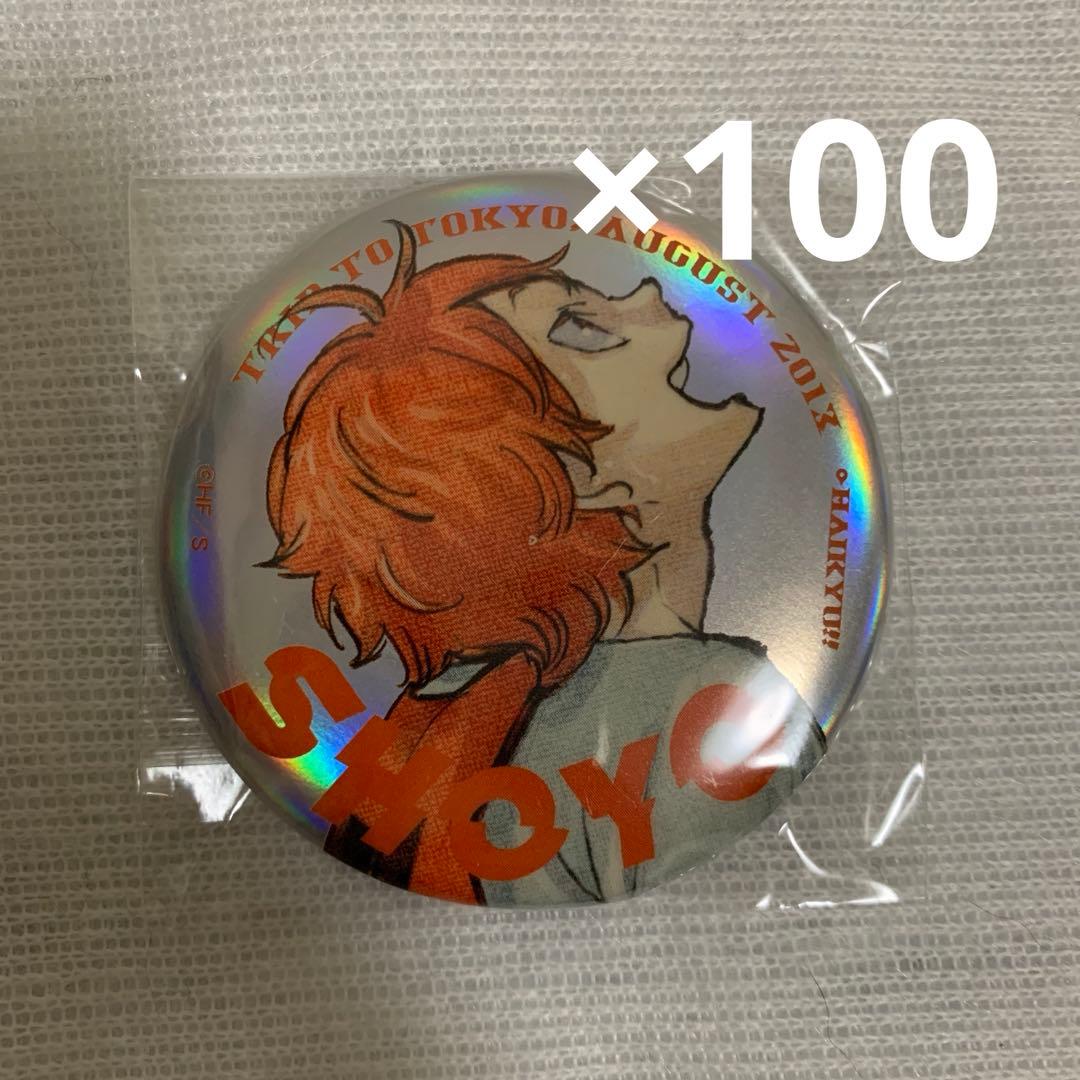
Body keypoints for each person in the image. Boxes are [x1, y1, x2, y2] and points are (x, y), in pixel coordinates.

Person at [263, 223, 823, 905]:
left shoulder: (433, 729)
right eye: (582, 328)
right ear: (571, 476)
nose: (649, 294)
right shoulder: (707, 709)